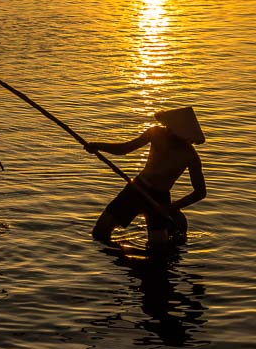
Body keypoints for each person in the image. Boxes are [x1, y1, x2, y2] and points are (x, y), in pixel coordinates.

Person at [86, 106, 207, 251]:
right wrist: (98, 146)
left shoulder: (190, 156)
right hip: (136, 189)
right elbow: (125, 148)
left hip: (160, 199)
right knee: (100, 233)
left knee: (158, 248)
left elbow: (200, 192)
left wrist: (171, 208)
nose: (167, 129)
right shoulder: (156, 133)